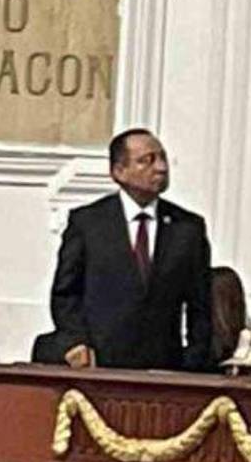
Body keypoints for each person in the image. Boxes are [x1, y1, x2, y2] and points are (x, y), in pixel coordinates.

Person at [45, 128, 213, 371]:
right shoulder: (89, 223)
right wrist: (77, 342)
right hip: (101, 366)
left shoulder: (187, 228)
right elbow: (65, 294)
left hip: (164, 369)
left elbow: (201, 305)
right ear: (119, 171)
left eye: (162, 158)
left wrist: (193, 361)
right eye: (147, 160)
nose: (161, 168)